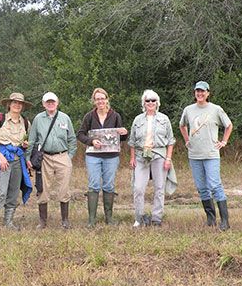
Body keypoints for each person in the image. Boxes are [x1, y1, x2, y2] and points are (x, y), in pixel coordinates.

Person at [179, 81, 233, 231]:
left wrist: (224, 141)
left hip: (211, 154)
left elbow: (228, 125)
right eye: (197, 91)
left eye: (203, 91)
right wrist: (187, 140)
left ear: (208, 93)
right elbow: (182, 125)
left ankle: (225, 221)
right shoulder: (189, 110)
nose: (200, 94)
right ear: (194, 93)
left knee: (214, 185)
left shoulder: (216, 109)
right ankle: (210, 218)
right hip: (194, 155)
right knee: (202, 188)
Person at [0, 92, 33, 235]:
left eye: (20, 103)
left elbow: (27, 143)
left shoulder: (26, 122)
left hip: (18, 161)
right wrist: (1, 157)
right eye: (14, 102)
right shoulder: (0, 119)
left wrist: (25, 146)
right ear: (9, 104)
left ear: (23, 106)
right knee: (1, 191)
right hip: (2, 159)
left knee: (14, 192)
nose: (17, 105)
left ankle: (8, 222)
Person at [77, 88, 128, 227]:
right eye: (97, 99)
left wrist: (124, 132)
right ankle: (91, 220)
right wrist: (91, 141)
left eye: (102, 98)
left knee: (109, 185)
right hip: (93, 155)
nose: (100, 101)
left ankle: (109, 218)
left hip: (111, 156)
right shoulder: (89, 116)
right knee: (93, 184)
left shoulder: (115, 116)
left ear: (107, 100)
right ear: (94, 101)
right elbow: (80, 134)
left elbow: (121, 138)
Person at [26, 92, 77, 229]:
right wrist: (28, 157)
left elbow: (72, 139)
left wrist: (69, 156)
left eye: (53, 102)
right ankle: (43, 221)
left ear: (57, 103)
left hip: (62, 156)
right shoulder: (38, 119)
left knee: (64, 188)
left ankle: (65, 220)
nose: (50, 104)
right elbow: (32, 139)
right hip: (45, 158)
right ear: (43, 104)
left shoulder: (65, 118)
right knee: (43, 188)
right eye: (47, 102)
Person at [128, 89, 175, 227]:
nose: (150, 103)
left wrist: (168, 158)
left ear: (157, 102)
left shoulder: (164, 119)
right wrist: (132, 158)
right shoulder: (138, 119)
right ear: (144, 103)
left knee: (159, 188)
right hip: (141, 156)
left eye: (153, 100)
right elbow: (132, 141)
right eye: (147, 100)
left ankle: (156, 218)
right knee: (138, 188)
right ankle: (139, 217)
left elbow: (170, 141)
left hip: (159, 155)